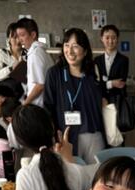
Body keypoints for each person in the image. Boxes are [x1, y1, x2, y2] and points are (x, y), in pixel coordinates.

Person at [12, 104, 96, 190]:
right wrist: (69, 161)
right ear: (52, 128)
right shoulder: (75, 169)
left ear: (20, 140)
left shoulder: (25, 175)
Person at [44, 28, 106, 165]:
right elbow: (48, 107)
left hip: (94, 135)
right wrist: (54, 137)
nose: (70, 51)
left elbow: (103, 98)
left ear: (85, 51)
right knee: (72, 175)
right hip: (67, 137)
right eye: (67, 45)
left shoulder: (93, 72)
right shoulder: (55, 74)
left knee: (96, 173)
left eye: (75, 46)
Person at [16, 18, 53, 107]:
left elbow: (40, 85)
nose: (20, 40)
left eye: (22, 35)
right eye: (18, 36)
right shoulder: (37, 51)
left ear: (33, 35)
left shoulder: (35, 54)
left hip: (39, 105)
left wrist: (25, 103)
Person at [95, 24, 129, 104]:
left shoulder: (124, 60)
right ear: (102, 39)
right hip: (101, 100)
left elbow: (121, 83)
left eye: (113, 38)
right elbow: (95, 84)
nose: (110, 41)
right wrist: (112, 83)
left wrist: (104, 84)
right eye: (107, 38)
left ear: (117, 39)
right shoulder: (97, 61)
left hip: (118, 101)